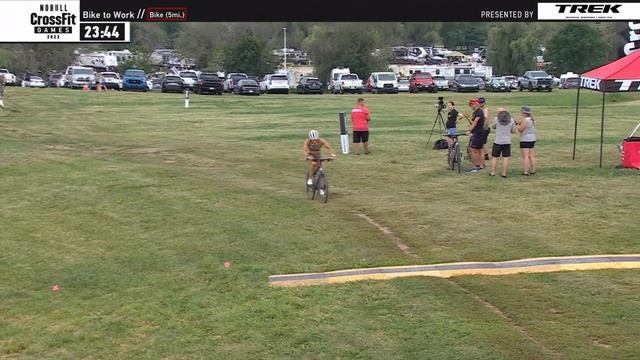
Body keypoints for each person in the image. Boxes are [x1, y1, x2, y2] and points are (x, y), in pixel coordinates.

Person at [490, 108, 517, 177]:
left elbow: (493, 127)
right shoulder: (511, 120)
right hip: (507, 141)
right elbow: (514, 131)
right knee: (506, 157)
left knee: (495, 157)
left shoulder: (496, 119)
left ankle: (493, 172)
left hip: (498, 141)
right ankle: (504, 173)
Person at [466, 99, 485, 173]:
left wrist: (469, 130)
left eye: (473, 104)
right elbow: (472, 122)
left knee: (473, 150)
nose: (471, 106)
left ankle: (475, 166)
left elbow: (475, 122)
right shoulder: (475, 112)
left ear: (476, 104)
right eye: (470, 105)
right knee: (480, 149)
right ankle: (481, 165)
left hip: (478, 133)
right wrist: (467, 118)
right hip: (478, 132)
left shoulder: (479, 112)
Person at [517, 106, 537, 175]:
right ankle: (533, 170)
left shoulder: (525, 120)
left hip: (525, 139)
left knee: (525, 156)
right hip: (532, 138)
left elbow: (520, 130)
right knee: (531, 156)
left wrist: (517, 124)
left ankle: (526, 171)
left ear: (524, 113)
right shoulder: (532, 120)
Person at [478, 97, 491, 164]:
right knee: (484, 142)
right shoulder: (481, 109)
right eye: (479, 102)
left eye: (481, 102)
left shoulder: (485, 110)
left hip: (485, 128)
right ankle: (485, 154)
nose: (480, 104)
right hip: (484, 128)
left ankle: (486, 155)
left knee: (483, 142)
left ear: (484, 103)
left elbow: (485, 117)